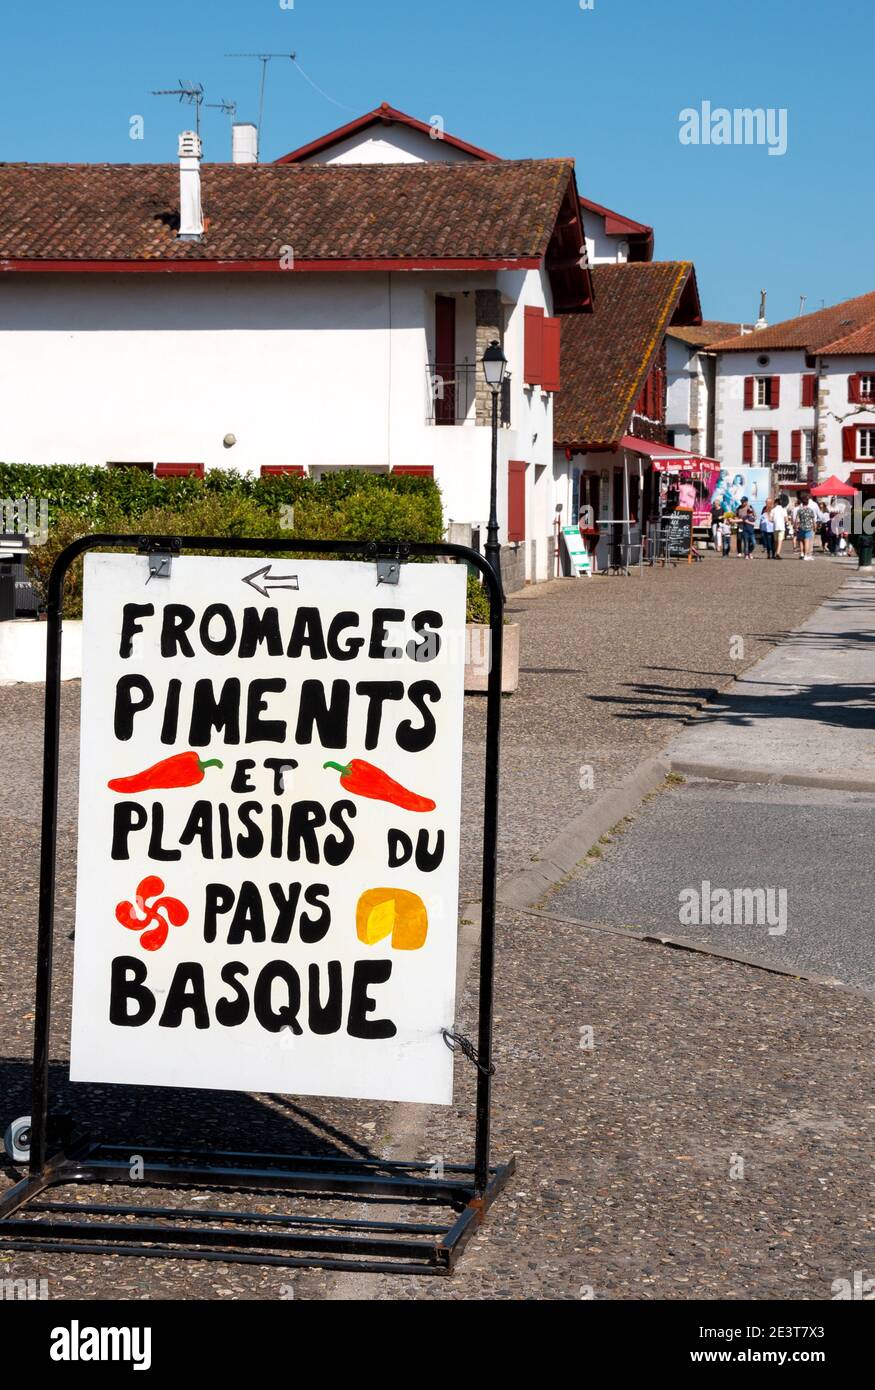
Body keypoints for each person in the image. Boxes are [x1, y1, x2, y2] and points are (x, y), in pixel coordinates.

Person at [794, 490, 819, 560]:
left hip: (801, 527)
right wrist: (815, 526)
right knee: (807, 541)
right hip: (808, 527)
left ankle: (802, 553)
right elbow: (813, 520)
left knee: (801, 541)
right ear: (807, 503)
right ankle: (806, 555)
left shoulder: (800, 510)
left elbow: (797, 519)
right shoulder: (810, 510)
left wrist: (796, 527)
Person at [771, 494, 788, 559]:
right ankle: (778, 553)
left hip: (775, 527)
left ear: (776, 503)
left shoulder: (773, 510)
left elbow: (770, 519)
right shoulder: (783, 509)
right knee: (780, 540)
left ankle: (776, 553)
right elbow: (786, 519)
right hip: (781, 527)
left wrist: (774, 520)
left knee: (775, 541)